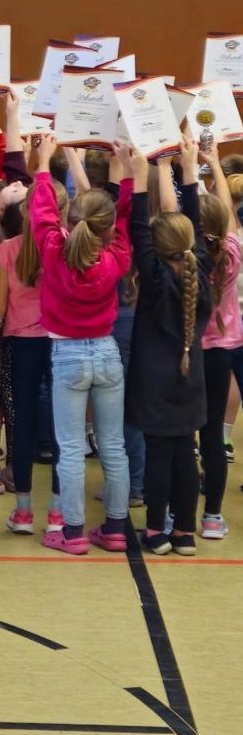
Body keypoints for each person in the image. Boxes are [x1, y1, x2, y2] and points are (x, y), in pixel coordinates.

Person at [29, 135, 133, 554]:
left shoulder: (55, 250)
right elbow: (124, 215)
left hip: (68, 355)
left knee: (70, 449)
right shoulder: (115, 257)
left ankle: (72, 533)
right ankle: (116, 527)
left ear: (69, 221)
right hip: (107, 353)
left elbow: (40, 214)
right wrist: (123, 170)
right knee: (113, 445)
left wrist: (41, 163)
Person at [127, 144, 208, 556]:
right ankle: (186, 533)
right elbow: (188, 221)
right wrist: (188, 169)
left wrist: (143, 174)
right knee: (184, 453)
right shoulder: (201, 271)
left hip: (154, 379)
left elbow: (138, 229)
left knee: (159, 456)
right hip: (191, 377)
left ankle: (156, 530)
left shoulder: (156, 279)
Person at [0, 176, 64, 534]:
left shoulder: (9, 249)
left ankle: (23, 511)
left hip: (21, 344)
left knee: (22, 426)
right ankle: (56, 512)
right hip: (59, 342)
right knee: (58, 429)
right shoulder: (65, 246)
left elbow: (0, 304)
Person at [194, 144, 237, 541]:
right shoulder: (233, 251)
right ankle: (211, 517)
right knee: (212, 440)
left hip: (188, 353)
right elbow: (225, 218)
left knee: (180, 434)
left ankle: (176, 514)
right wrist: (213, 169)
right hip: (222, 352)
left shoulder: (183, 257)